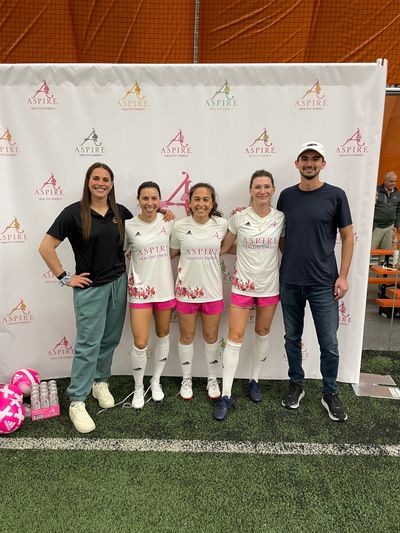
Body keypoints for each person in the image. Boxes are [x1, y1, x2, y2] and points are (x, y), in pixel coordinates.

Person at [39, 162, 133, 433]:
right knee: (88, 344)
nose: (101, 183)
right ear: (88, 181)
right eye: (96, 178)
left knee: (110, 339)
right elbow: (46, 247)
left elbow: (146, 226)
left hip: (118, 283)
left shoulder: (119, 212)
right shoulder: (73, 213)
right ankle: (77, 400)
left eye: (106, 179)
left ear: (112, 184)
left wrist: (165, 214)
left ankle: (100, 383)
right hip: (90, 289)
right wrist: (65, 277)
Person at [277, 141, 353, 422]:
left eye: (315, 159)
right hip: (290, 281)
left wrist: (342, 276)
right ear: (297, 164)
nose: (309, 163)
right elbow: (282, 235)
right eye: (304, 158)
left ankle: (329, 391)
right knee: (291, 338)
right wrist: (296, 259)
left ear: (323, 164)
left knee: (329, 343)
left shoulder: (336, 195)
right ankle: (296, 384)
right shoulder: (285, 196)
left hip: (324, 283)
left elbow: (347, 236)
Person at [213, 170, 284, 421]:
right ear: (251, 190)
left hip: (269, 287)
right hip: (242, 286)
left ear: (273, 189)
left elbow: (285, 248)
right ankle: (226, 395)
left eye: (266, 186)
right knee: (235, 337)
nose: (262, 191)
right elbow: (225, 247)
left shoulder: (281, 218)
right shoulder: (239, 218)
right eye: (257, 187)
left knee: (262, 333)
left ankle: (254, 380)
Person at [170, 183, 227, 401]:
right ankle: (187, 379)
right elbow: (172, 253)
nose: (201, 203)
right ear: (189, 202)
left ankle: (212, 378)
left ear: (212, 203)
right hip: (186, 293)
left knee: (212, 336)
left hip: (212, 292)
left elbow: (232, 243)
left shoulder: (222, 224)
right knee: (186, 336)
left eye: (206, 199)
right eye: (197, 199)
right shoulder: (179, 226)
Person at [125, 181, 175, 409]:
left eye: (154, 198)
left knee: (163, 335)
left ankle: (155, 381)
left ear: (160, 200)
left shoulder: (169, 222)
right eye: (145, 198)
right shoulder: (127, 225)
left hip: (164, 290)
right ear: (138, 200)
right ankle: (138, 387)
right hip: (140, 293)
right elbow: (122, 252)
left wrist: (165, 212)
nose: (150, 203)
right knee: (141, 341)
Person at [371, 171, 400, 250]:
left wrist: (396, 226)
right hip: (376, 227)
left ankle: (384, 263)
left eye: (395, 181)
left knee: (385, 253)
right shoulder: (375, 191)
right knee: (369, 250)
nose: (393, 183)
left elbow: (398, 211)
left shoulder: (398, 194)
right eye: (391, 181)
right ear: (385, 181)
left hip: (389, 227)